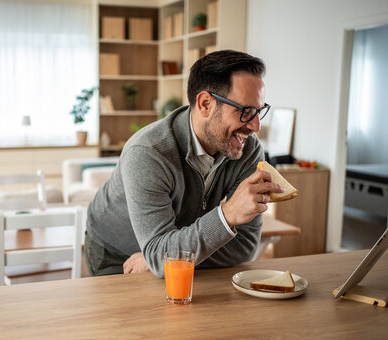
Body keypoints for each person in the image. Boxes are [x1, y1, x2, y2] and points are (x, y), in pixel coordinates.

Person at [85, 50, 284, 277]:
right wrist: (226, 216)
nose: (256, 126)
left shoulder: (247, 148)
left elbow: (244, 247)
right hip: (116, 253)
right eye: (246, 111)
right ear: (205, 104)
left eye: (259, 111)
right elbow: (161, 256)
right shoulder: (149, 153)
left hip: (158, 252)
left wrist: (166, 257)